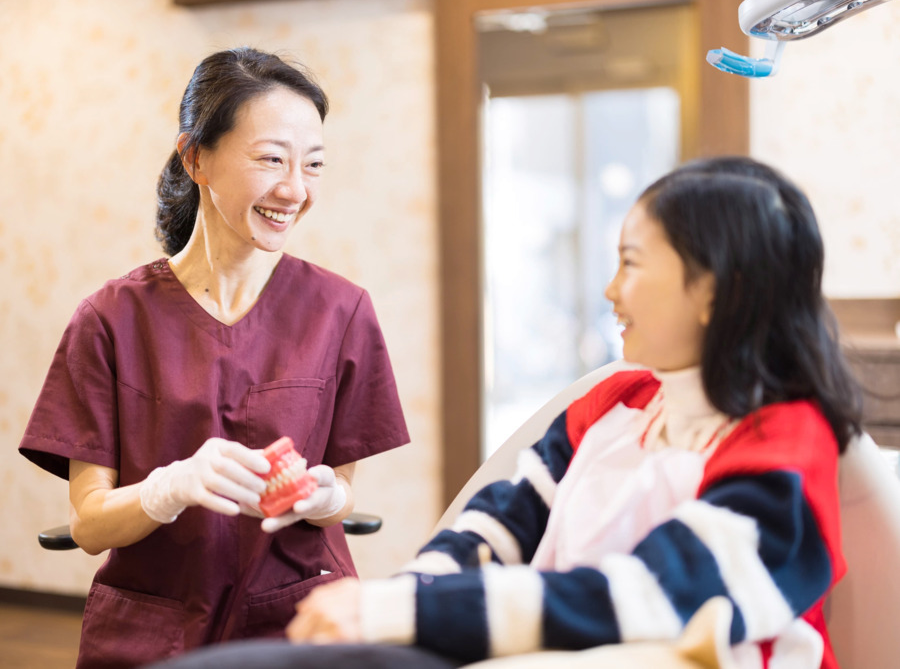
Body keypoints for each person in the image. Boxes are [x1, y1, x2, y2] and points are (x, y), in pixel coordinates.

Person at [149, 156, 862, 669]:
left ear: (713, 289)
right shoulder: (616, 405)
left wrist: (402, 612)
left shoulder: (785, 445)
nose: (611, 290)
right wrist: (403, 603)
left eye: (632, 263)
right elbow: (499, 524)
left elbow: (654, 595)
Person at [18, 47, 410, 668]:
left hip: (297, 625)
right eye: (271, 159)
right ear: (195, 157)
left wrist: (324, 498)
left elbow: (342, 491)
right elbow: (89, 525)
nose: (295, 189)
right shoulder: (110, 320)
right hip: (153, 632)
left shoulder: (342, 311)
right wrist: (168, 488)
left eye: (313, 165)